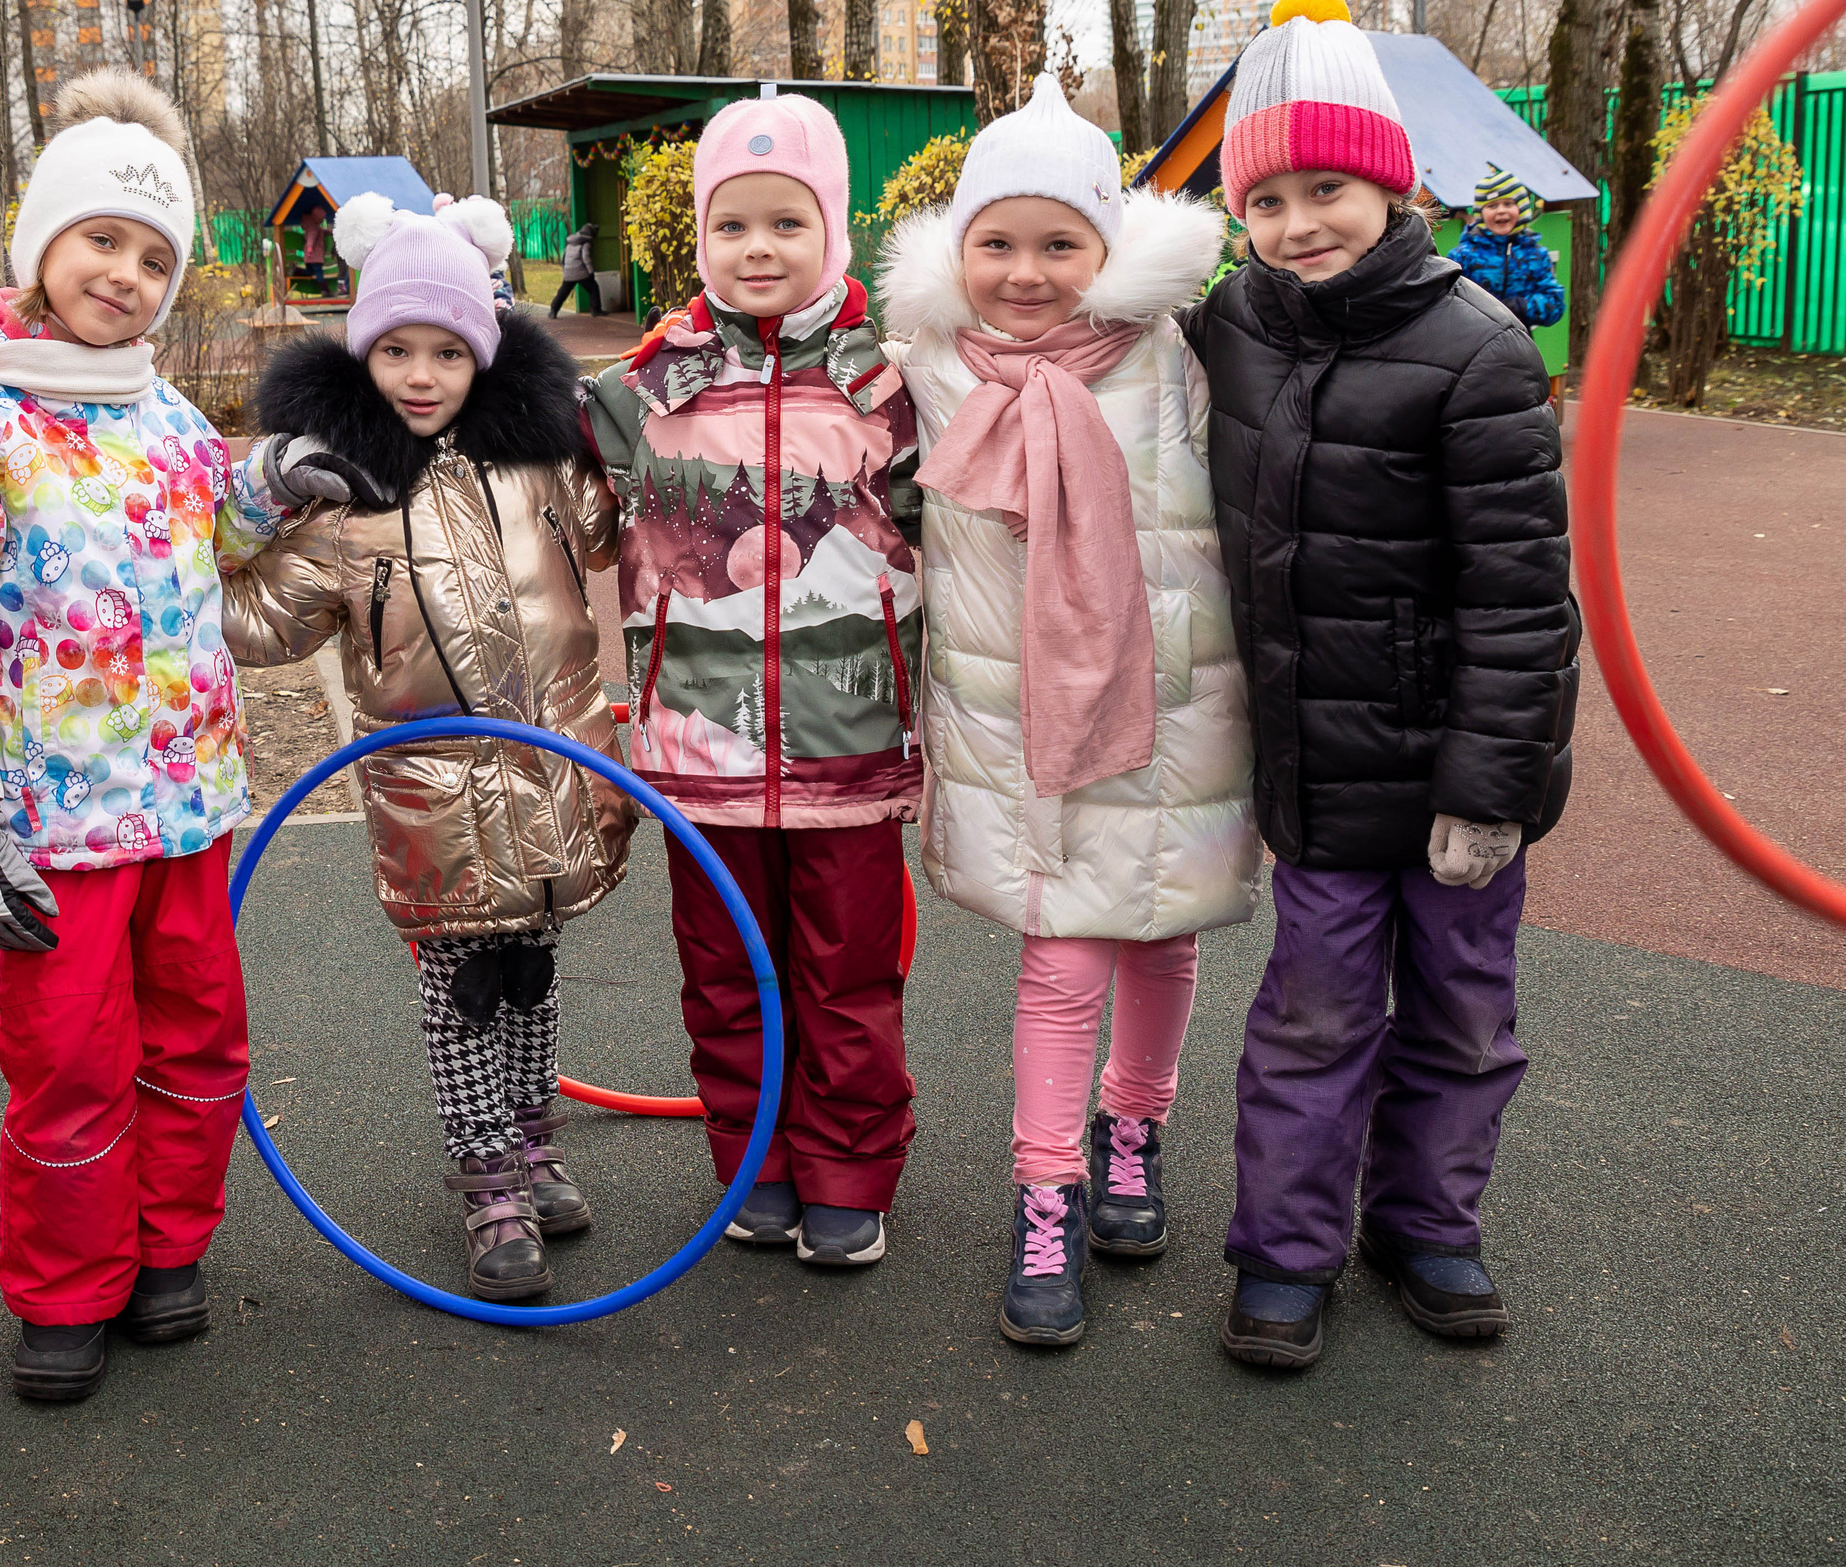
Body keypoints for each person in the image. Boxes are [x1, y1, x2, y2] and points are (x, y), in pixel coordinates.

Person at [0, 69, 359, 1403]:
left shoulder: (166, 414)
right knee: (71, 1065)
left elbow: (211, 525)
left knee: (199, 1041)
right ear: (41, 242)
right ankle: (67, 1285)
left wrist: (273, 483)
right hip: (54, 829)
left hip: (188, 803)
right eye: (101, 239)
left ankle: (166, 1248)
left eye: (154, 257)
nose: (126, 275)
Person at [1179, 0, 1579, 1370]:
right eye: (1267, 199)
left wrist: (1492, 788)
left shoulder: (1478, 349)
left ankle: (1424, 1222)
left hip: (1457, 772)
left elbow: (1522, 599)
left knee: (1463, 1013)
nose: (1300, 223)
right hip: (1320, 775)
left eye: (1328, 188)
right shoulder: (1234, 324)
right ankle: (1285, 1250)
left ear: (1391, 185)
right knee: (1313, 1014)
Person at [879, 74, 1257, 1346]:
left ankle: (1132, 1123)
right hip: (1019, 713)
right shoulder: (929, 369)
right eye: (996, 243)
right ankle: (1045, 1192)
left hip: (1174, 699)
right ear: (958, 249)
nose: (1025, 273)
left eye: (1058, 244)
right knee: (1062, 953)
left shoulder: (1176, 354)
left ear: (1105, 248)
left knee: (1163, 932)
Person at [223, 192, 634, 1300]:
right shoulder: (341, 504)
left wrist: (619, 429)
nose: (420, 374)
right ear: (361, 356)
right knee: (464, 985)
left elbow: (615, 533)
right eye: (395, 349)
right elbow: (252, 623)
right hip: (433, 799)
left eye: (447, 351)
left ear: (482, 354)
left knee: (533, 969)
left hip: (555, 773)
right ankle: (487, 1178)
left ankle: (534, 1141)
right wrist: (252, 506)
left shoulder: (537, 465)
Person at [581, 95, 923, 1267]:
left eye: (788, 221)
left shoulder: (888, 389)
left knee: (847, 976)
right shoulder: (644, 391)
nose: (759, 247)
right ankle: (755, 1166)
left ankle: (848, 1174)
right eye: (732, 226)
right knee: (728, 975)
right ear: (699, 238)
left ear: (832, 229)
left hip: (849, 743)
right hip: (701, 748)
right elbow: (528, 470)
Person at [1448, 166, 1564, 329]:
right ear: (1480, 213)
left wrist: (1520, 306)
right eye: (1492, 206)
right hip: (1475, 337)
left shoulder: (1535, 255)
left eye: (1508, 204)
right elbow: (1448, 301)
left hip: (1519, 337)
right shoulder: (1463, 256)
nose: (1501, 211)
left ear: (1521, 209)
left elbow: (1554, 303)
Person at [549, 222, 599, 318]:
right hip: (581, 272)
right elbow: (586, 258)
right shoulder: (585, 243)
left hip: (568, 272)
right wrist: (591, 271)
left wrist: (565, 270)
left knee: (563, 293)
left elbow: (563, 258)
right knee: (593, 288)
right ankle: (596, 310)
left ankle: (553, 310)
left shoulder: (570, 243)